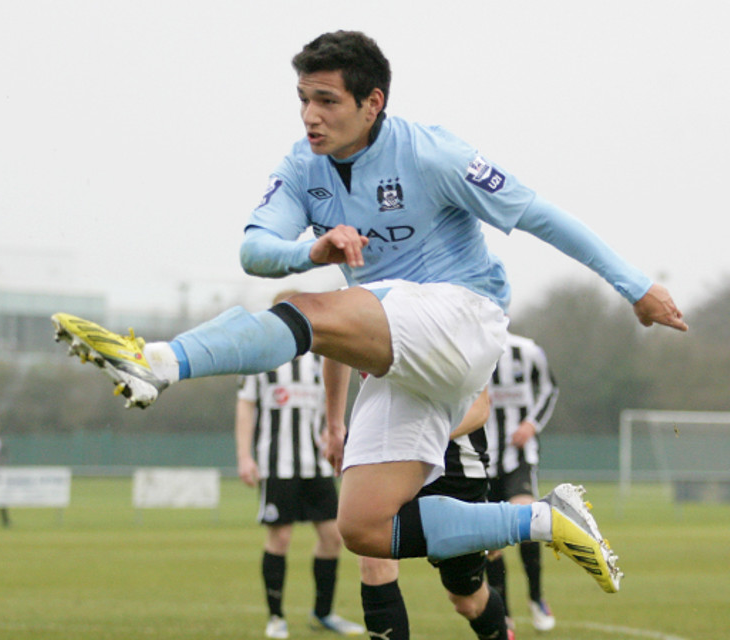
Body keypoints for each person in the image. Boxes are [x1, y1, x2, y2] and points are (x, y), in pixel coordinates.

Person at [51, 30, 687, 596]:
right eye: (304, 98)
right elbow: (254, 248)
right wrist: (311, 249)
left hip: (465, 317)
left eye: (327, 100)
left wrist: (635, 286)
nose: (311, 115)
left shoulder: (432, 153)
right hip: (401, 348)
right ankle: (545, 520)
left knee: (304, 308)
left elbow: (538, 214)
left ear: (372, 102)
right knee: (364, 526)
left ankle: (159, 362)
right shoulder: (304, 166)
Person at [328, 358, 511, 640]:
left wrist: (417, 438)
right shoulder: (365, 326)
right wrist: (333, 426)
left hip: (453, 459)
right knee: (372, 558)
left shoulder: (459, 329)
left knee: (467, 599)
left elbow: (479, 408)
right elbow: (332, 344)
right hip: (378, 443)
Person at [235, 290, 364, 638]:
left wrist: (333, 433)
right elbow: (245, 406)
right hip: (277, 464)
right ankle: (276, 617)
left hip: (317, 463)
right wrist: (244, 456)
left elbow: (332, 401)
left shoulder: (320, 356)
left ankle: (323, 613)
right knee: (280, 537)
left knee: (333, 536)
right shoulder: (261, 358)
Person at [484, 332, 559, 632]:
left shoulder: (526, 350)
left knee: (527, 519)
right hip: (481, 458)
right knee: (490, 540)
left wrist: (531, 424)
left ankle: (537, 597)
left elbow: (550, 388)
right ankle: (503, 613)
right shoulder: (470, 348)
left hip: (519, 456)